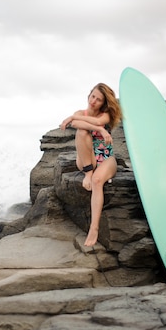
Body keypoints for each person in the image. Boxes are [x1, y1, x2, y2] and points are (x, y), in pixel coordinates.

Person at [59, 83, 123, 247]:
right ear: (89, 96)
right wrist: (99, 130)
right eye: (92, 96)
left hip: (106, 158)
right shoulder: (80, 114)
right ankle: (88, 173)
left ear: (104, 103)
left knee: (97, 181)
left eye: (99, 99)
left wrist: (72, 117)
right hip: (87, 160)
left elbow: (96, 120)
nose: (94, 101)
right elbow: (78, 125)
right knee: (81, 132)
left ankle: (93, 228)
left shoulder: (106, 115)